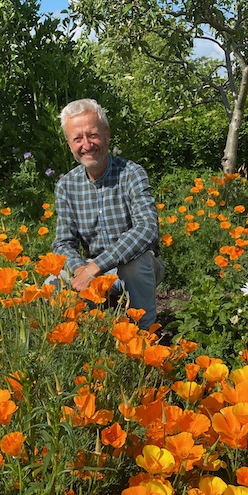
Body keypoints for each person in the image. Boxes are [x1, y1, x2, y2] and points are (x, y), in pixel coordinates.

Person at [52, 98, 164, 330]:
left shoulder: (132, 174)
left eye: (92, 135)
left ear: (106, 134)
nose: (87, 144)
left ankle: (144, 333)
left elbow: (147, 229)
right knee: (51, 283)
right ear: (69, 144)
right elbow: (63, 243)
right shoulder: (66, 186)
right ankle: (79, 338)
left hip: (136, 269)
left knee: (134, 262)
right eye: (77, 138)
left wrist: (96, 267)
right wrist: (81, 270)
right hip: (91, 270)